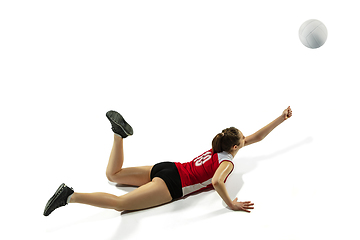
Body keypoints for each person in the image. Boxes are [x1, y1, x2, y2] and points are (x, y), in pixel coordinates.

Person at [43, 106, 292, 216]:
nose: (247, 142)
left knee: (114, 175)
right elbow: (217, 182)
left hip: (168, 167)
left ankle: (119, 135)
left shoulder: (219, 147)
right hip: (172, 184)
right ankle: (69, 196)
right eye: (244, 142)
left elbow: (256, 137)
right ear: (237, 147)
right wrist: (231, 204)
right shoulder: (227, 162)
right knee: (120, 204)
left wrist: (281, 118)